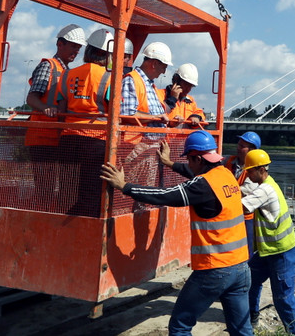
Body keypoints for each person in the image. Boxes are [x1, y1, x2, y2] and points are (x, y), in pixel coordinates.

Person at [100, 131, 252, 336]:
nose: (188, 165)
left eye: (189, 160)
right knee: (241, 329)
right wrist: (169, 163)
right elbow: (195, 176)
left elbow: (166, 195)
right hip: (241, 268)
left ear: (197, 158)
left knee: (180, 327)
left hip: (215, 269)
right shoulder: (226, 174)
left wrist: (124, 186)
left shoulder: (203, 185)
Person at [24, 24, 85, 210]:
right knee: (45, 189)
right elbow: (32, 97)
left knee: (63, 188)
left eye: (78, 47)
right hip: (42, 138)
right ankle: (42, 220)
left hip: (56, 138)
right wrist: (46, 109)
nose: (76, 50)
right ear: (60, 44)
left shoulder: (67, 70)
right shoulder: (48, 66)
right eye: (73, 46)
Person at [240, 149, 295, 334]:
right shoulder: (267, 183)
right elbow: (246, 193)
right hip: (268, 251)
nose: (247, 175)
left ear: (261, 169)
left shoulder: (265, 189)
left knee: (283, 297)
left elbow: (241, 206)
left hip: (281, 252)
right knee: (249, 281)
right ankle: (251, 318)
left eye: (249, 171)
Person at [58, 28, 112, 216]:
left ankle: (62, 229)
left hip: (68, 139)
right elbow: (115, 109)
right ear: (108, 54)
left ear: (89, 50)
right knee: (91, 193)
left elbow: (62, 107)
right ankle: (87, 231)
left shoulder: (67, 74)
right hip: (96, 140)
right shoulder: (109, 77)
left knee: (67, 192)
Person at [118, 41, 173, 125]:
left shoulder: (150, 85)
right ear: (154, 64)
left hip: (149, 138)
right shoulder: (131, 80)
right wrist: (155, 117)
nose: (164, 72)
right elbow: (127, 114)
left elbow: (159, 116)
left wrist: (172, 122)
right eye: (163, 67)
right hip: (136, 137)